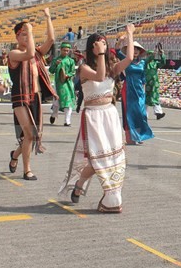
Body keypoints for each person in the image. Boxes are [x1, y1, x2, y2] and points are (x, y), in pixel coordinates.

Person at [58, 24, 135, 213]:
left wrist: (130, 35)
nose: (102, 46)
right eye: (99, 43)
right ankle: (96, 190)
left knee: (113, 156)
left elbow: (130, 58)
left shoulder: (111, 66)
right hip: (93, 116)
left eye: (104, 43)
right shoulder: (83, 68)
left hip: (109, 114)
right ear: (92, 47)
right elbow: (99, 77)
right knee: (97, 158)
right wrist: (101, 54)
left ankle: (88, 187)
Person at [7, 8, 57, 181]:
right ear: (16, 37)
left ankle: (15, 154)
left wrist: (48, 17)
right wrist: (29, 30)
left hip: (35, 96)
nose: (26, 37)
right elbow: (27, 53)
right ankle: (27, 169)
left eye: (27, 34)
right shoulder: (14, 53)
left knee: (34, 135)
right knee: (28, 134)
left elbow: (51, 40)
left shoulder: (36, 53)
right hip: (20, 97)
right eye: (22, 34)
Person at [116, 37, 154, 145]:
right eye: (133, 48)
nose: (135, 51)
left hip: (139, 90)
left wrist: (144, 89)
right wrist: (120, 41)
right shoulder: (126, 61)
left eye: (137, 49)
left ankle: (139, 135)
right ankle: (130, 137)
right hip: (128, 89)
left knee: (141, 113)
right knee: (129, 112)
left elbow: (143, 77)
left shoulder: (142, 63)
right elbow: (117, 51)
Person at [49, 42, 77, 126]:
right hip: (58, 84)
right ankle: (54, 114)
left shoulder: (71, 61)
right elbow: (51, 70)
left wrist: (67, 75)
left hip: (67, 84)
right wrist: (55, 64)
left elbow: (73, 72)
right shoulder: (56, 60)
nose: (66, 52)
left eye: (67, 51)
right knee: (57, 102)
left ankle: (67, 121)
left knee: (68, 101)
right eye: (64, 50)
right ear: (60, 50)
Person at [144, 46, 167, 120]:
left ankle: (158, 113)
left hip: (154, 83)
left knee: (155, 97)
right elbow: (148, 60)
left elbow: (163, 62)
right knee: (145, 98)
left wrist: (161, 54)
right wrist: (153, 53)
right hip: (146, 83)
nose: (151, 56)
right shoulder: (144, 63)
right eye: (149, 54)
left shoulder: (155, 63)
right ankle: (144, 114)